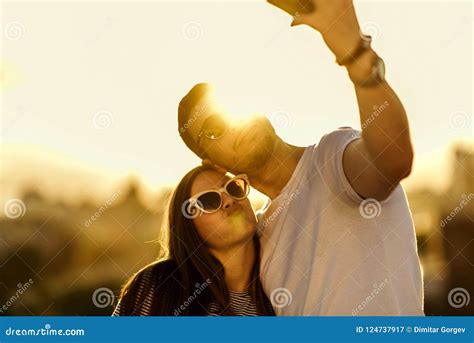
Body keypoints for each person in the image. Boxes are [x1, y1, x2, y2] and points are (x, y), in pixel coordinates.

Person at [177, 0, 424, 315]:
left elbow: (393, 160)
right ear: (213, 163)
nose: (231, 122)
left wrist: (355, 54)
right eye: (213, 128)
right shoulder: (258, 238)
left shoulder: (332, 160)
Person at [112, 165, 275, 316]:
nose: (229, 200)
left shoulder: (283, 292)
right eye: (209, 200)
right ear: (188, 225)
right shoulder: (159, 286)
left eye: (234, 188)